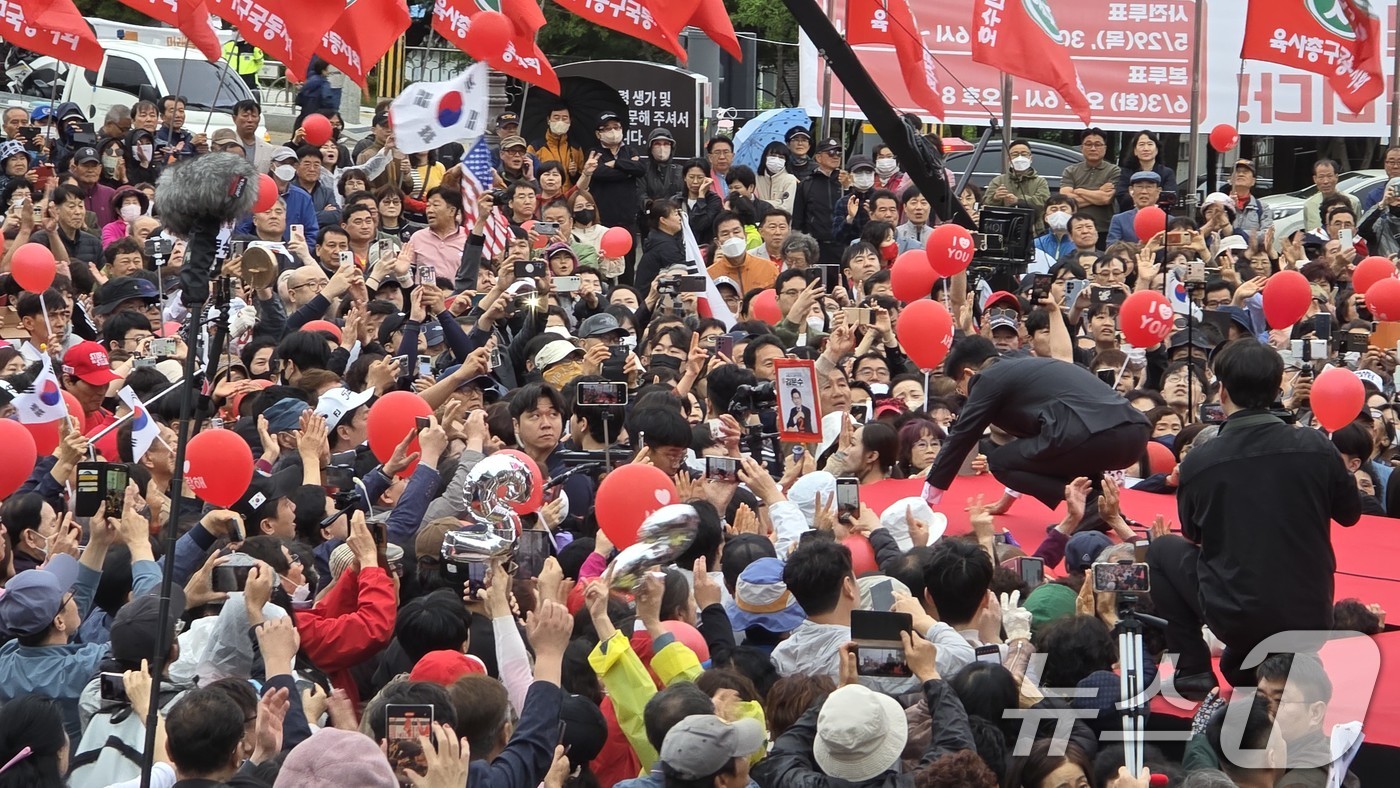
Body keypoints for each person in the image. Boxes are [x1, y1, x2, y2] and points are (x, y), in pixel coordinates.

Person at [1148, 339, 1361, 694]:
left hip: (1237, 615)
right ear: (1279, 390)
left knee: (1160, 550)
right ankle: (1262, 664)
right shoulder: (1316, 446)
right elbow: (1350, 514)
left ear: (1222, 392)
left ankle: (1192, 669)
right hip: (1311, 614)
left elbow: (1193, 534)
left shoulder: (1200, 460)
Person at [921, 335, 1151, 512]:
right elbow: (1031, 453)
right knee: (1061, 447)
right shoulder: (1028, 365)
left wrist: (927, 501)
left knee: (999, 460)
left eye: (959, 386)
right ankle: (1100, 509)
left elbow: (962, 436)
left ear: (968, 373)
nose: (962, 393)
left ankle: (1086, 501)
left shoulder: (987, 378)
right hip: (1134, 435)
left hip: (1089, 436)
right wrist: (1007, 500)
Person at [1059, 127, 1120, 241]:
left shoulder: (1113, 170)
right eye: (1088, 144)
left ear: (1105, 148)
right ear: (1082, 148)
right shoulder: (1070, 170)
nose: (1093, 148)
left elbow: (1106, 199)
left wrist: (1079, 191)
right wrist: (1098, 193)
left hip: (1103, 230)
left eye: (1098, 144)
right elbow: (1066, 200)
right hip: (1075, 229)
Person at [984, 139, 1050, 232]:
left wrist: (1019, 200)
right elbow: (986, 206)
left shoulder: (1040, 182)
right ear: (1008, 159)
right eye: (1015, 154)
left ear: (1030, 158)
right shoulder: (998, 181)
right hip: (1005, 229)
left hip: (1034, 230)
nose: (1020, 157)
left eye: (1024, 154)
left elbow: (1043, 204)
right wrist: (995, 198)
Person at [1302, 159, 1361, 231]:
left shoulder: (1352, 202)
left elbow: (1358, 231)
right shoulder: (1309, 205)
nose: (1325, 181)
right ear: (1315, 179)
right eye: (1321, 177)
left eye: (1329, 176)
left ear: (1336, 177)